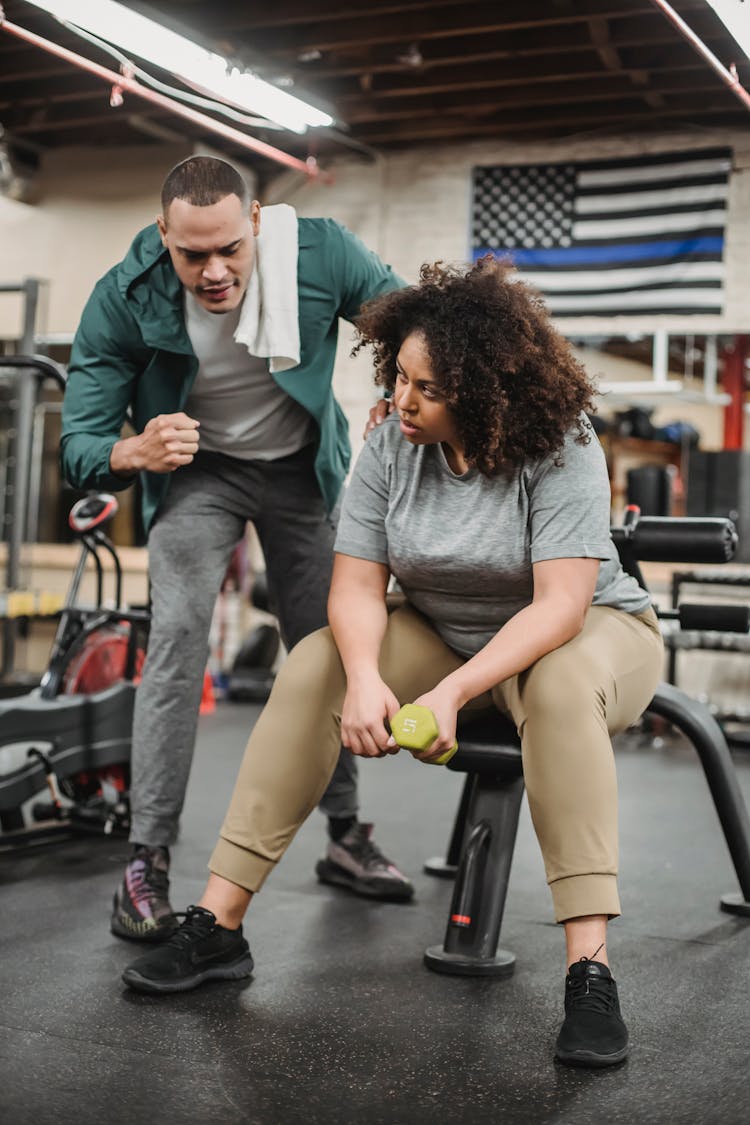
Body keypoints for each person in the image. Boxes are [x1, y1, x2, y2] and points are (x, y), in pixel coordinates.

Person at [120, 257, 664, 1069]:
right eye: (399, 375)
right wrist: (368, 677)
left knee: (558, 686)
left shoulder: (561, 441)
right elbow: (356, 587)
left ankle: (590, 971)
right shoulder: (389, 441)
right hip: (444, 628)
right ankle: (219, 924)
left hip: (583, 636)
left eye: (429, 390)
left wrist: (450, 691)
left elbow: (559, 607)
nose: (403, 400)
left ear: (484, 394)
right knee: (315, 663)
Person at [60, 155, 415, 943]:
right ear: (164, 236)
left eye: (229, 249)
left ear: (256, 223)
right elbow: (79, 445)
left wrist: (404, 388)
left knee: (325, 649)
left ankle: (347, 835)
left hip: (301, 470)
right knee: (179, 640)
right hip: (197, 474)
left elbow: (410, 321)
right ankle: (145, 860)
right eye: (192, 255)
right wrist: (134, 450)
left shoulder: (323, 252)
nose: (214, 271)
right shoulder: (123, 297)